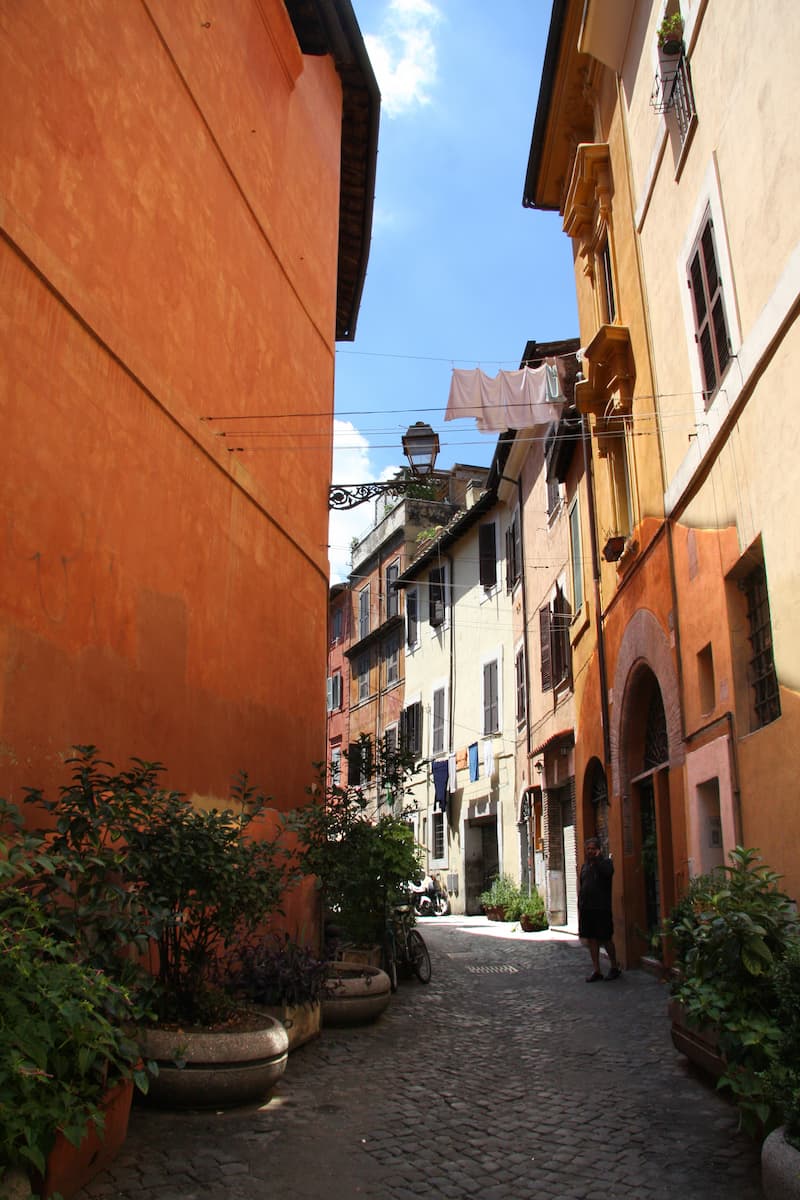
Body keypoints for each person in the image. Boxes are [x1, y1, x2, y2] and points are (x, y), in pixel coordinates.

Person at [578, 836, 621, 982]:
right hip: (587, 909)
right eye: (588, 849)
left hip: (602, 908)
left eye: (593, 849)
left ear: (598, 850)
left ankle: (614, 967)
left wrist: (598, 860)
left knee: (606, 938)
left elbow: (607, 873)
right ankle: (597, 970)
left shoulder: (606, 864)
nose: (590, 851)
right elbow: (582, 886)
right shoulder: (585, 866)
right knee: (591, 940)